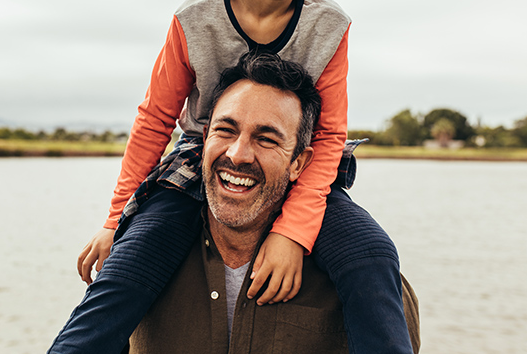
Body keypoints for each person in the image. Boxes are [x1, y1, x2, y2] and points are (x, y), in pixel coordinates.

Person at [49, 0, 413, 352]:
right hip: (199, 162)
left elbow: (326, 139)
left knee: (371, 254)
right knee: (128, 269)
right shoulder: (193, 21)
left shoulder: (331, 26)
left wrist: (291, 233)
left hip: (303, 169)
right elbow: (155, 120)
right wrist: (117, 219)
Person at [128, 52, 420, 353]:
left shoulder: (365, 280)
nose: (238, 154)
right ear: (203, 140)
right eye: (225, 130)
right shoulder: (138, 264)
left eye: (266, 139)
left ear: (299, 162)